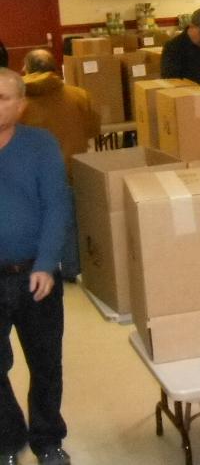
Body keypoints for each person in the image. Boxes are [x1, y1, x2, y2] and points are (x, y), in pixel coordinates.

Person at [0, 68, 73, 465]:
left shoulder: (40, 145)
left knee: (46, 365)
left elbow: (57, 205)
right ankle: (8, 439)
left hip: (35, 276)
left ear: (21, 104)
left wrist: (46, 263)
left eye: (2, 98)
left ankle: (47, 439)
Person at [20, 50, 101, 281]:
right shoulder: (78, 95)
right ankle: (71, 269)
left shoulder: (16, 102)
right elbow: (93, 130)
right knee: (69, 222)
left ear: (25, 69)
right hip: (70, 170)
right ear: (55, 68)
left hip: (29, 175)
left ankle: (36, 268)